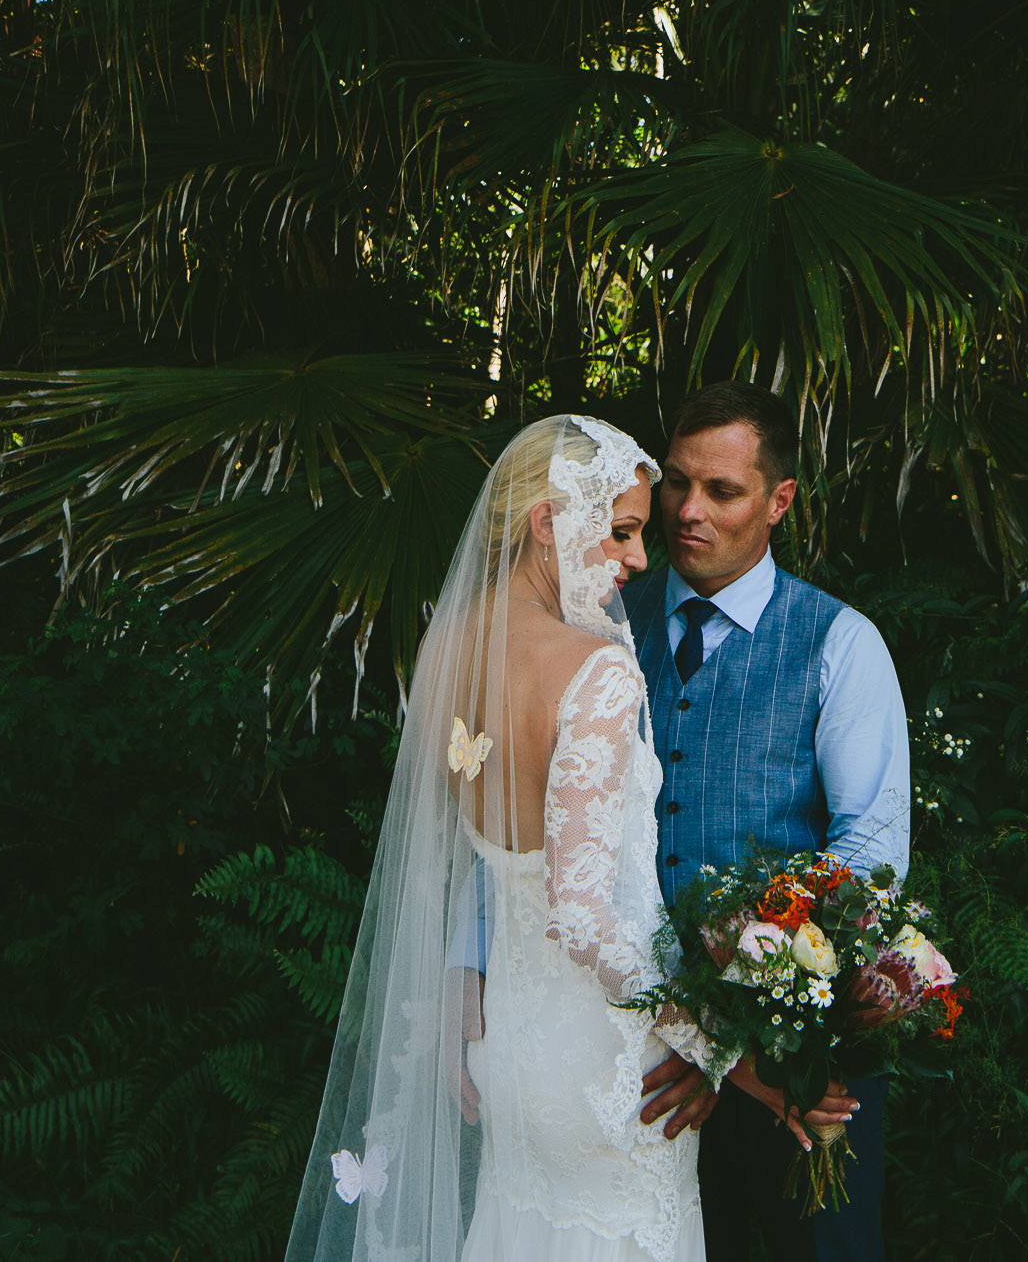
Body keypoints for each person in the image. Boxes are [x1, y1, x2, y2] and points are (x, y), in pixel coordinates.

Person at [283, 414, 845, 1262]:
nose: (639, 560)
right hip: (607, 1072)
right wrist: (737, 1061)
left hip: (508, 1052)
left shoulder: (449, 654)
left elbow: (484, 857)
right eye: (620, 531)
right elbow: (585, 916)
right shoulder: (597, 670)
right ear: (550, 521)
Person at [625, 382, 913, 1262]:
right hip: (630, 1058)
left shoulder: (840, 643)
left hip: (796, 1071)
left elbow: (867, 859)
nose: (686, 511)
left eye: (722, 491)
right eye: (676, 482)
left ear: (780, 500)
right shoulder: (601, 626)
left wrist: (733, 1046)